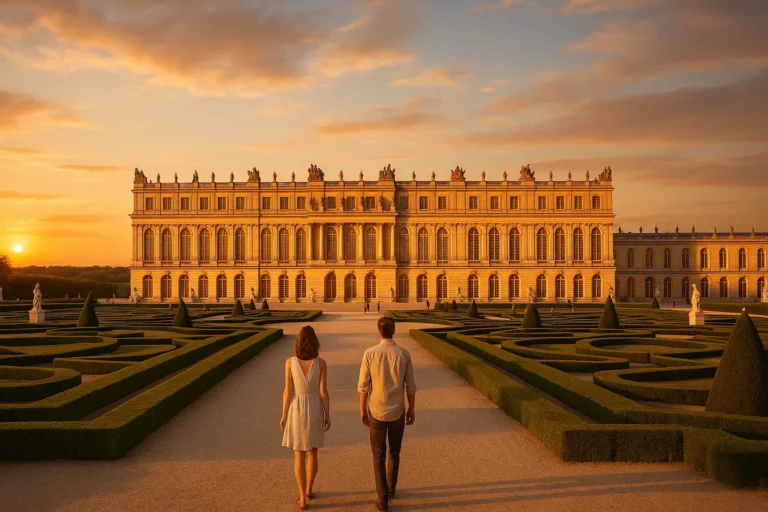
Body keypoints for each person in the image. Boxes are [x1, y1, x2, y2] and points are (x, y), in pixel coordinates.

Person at [358, 317, 417, 511]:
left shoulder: (370, 353)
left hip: (376, 410)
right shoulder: (404, 354)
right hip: (398, 409)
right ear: (393, 331)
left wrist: (362, 410)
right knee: (395, 452)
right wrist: (412, 408)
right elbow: (410, 386)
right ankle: (391, 489)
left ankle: (382, 499)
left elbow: (363, 387)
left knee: (378, 455)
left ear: (379, 331)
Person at [281, 326, 331, 510]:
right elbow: (324, 392)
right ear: (315, 343)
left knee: (298, 455)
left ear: (299, 343)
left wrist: (284, 414)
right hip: (315, 407)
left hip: (296, 408)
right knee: (312, 452)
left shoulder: (289, 362)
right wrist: (328, 415)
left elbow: (287, 391)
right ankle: (309, 489)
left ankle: (302, 497)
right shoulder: (321, 363)